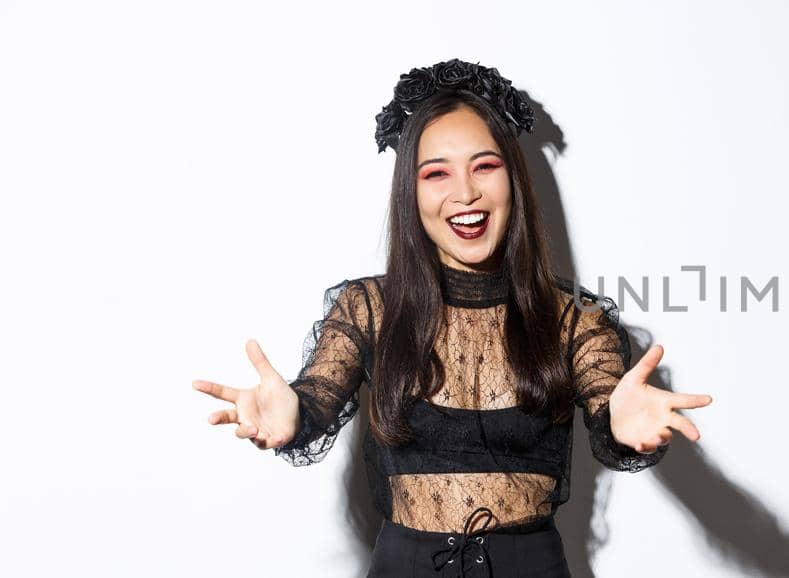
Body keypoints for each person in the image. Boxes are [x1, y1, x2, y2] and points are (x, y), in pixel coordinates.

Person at [191, 58, 713, 577]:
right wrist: (294, 416)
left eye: (484, 166)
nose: (465, 193)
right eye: (436, 173)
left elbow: (608, 405)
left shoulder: (574, 320)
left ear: (514, 180)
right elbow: (317, 400)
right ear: (410, 193)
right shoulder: (370, 309)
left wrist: (618, 424)